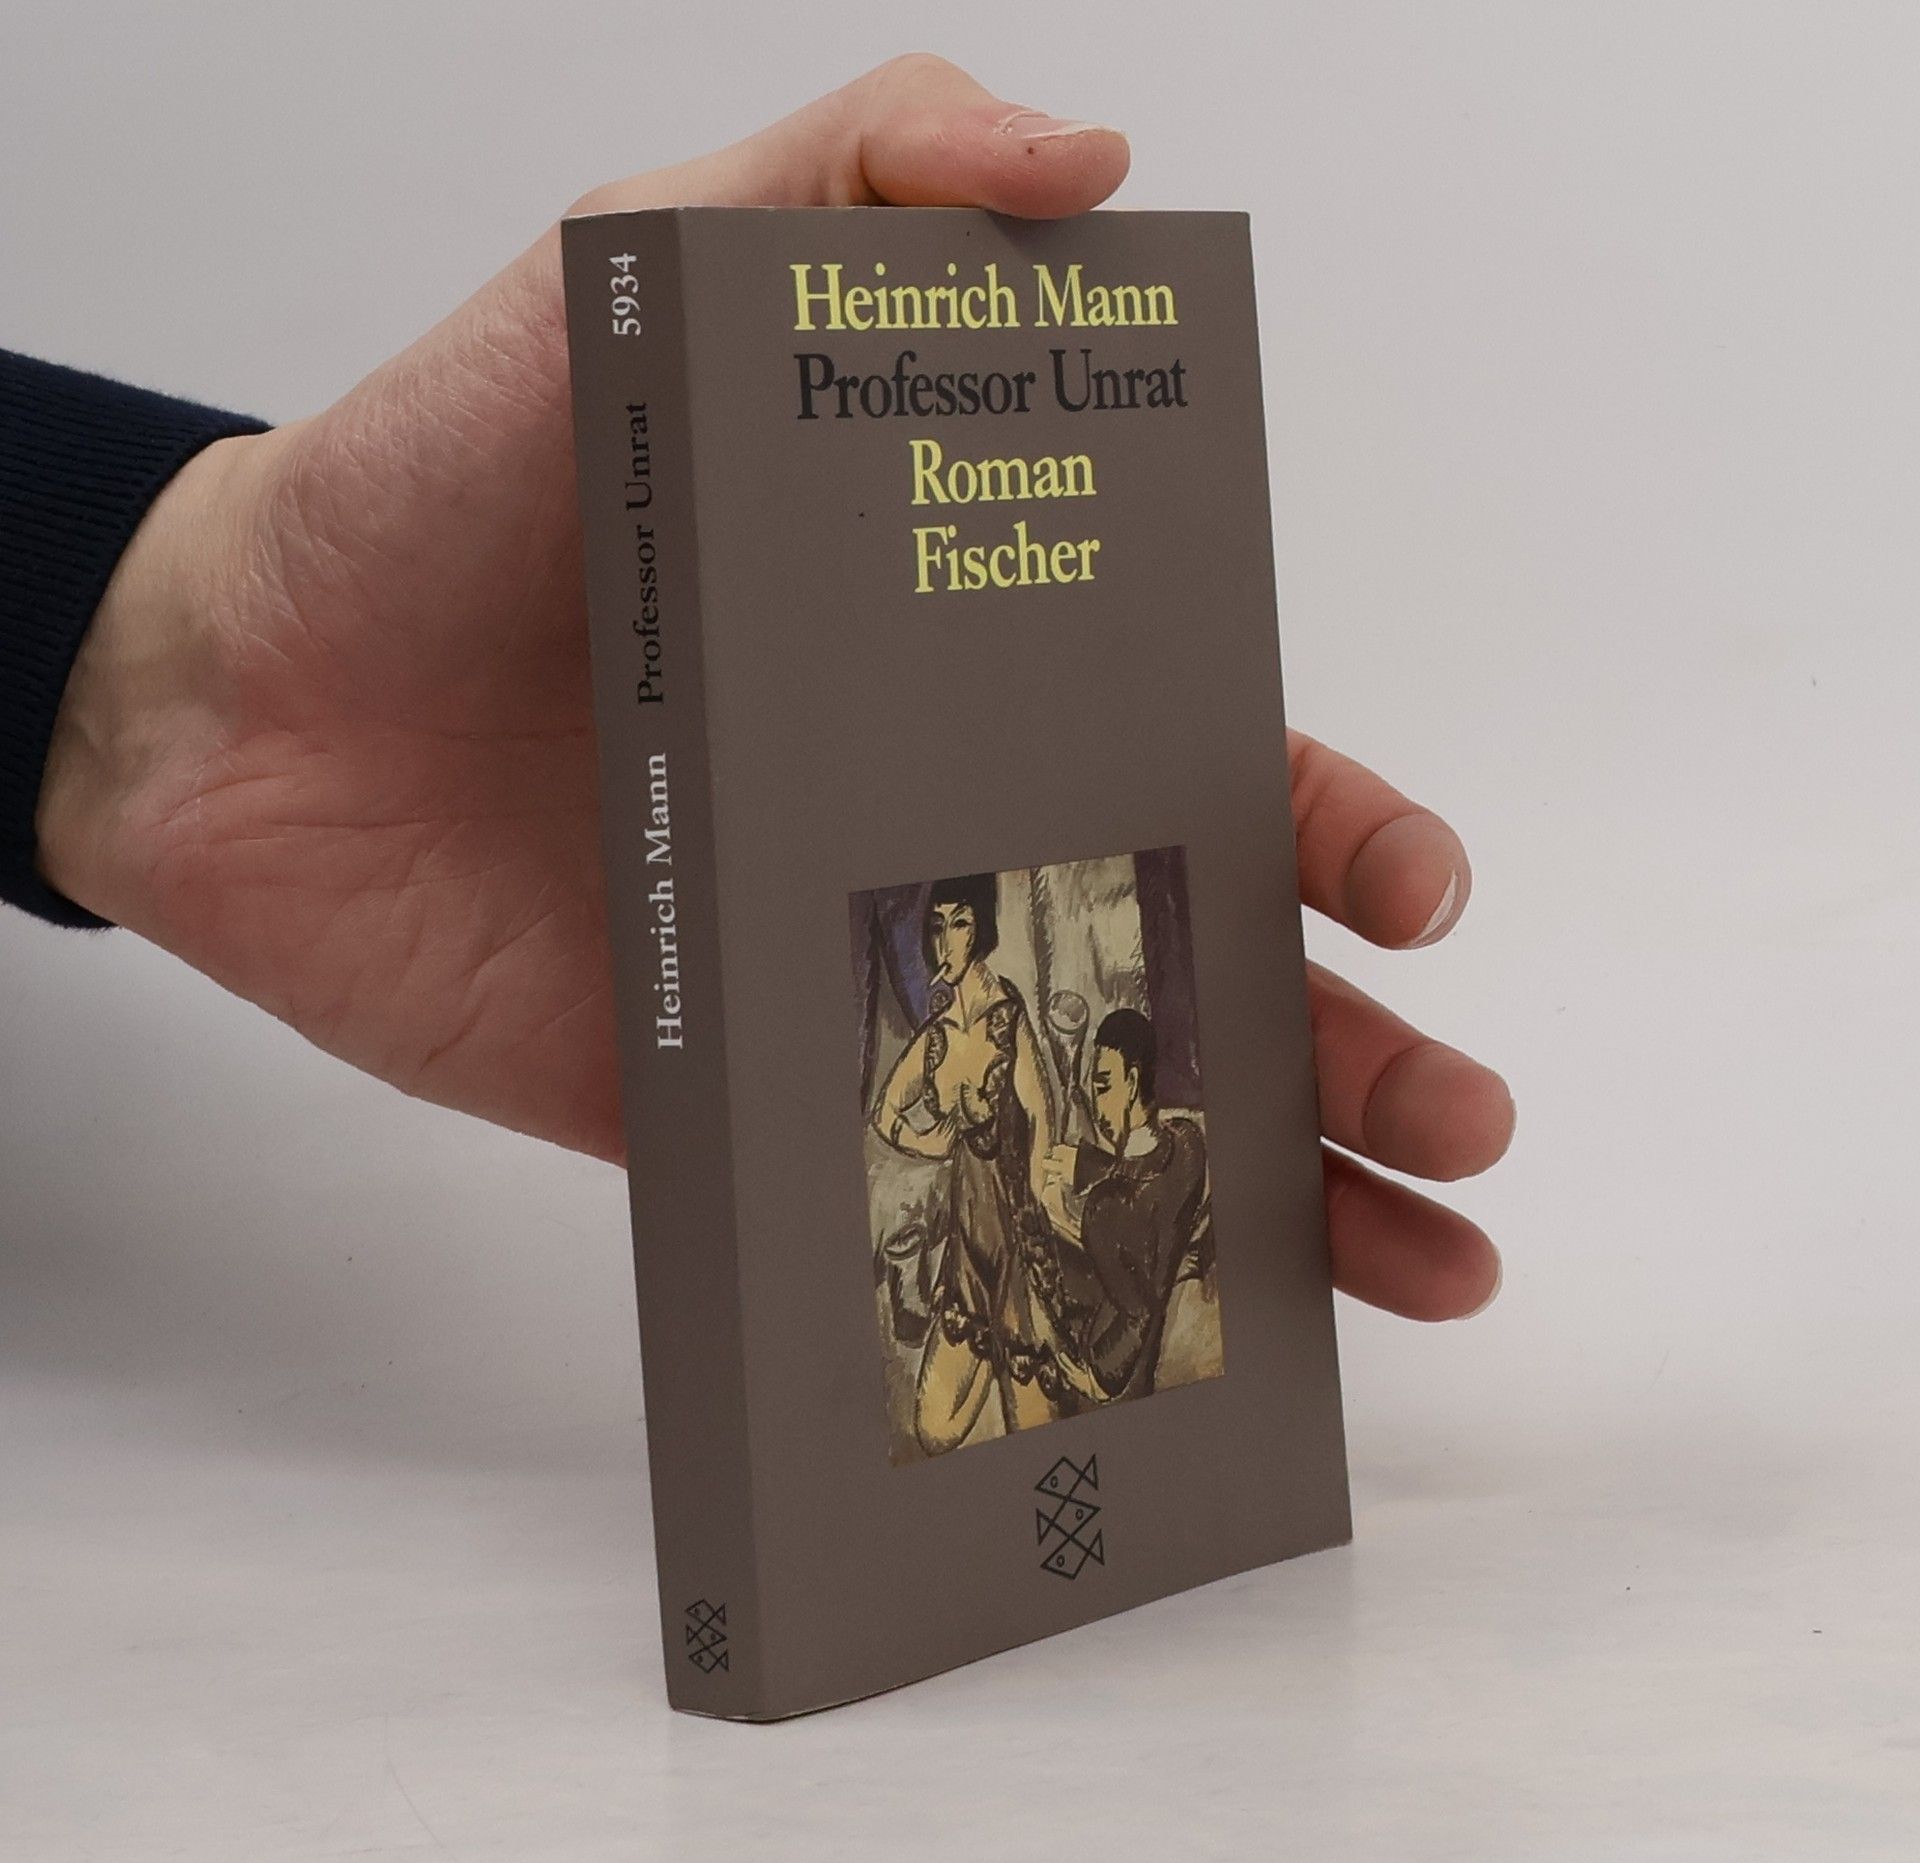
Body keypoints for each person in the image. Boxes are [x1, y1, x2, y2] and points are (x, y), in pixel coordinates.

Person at [0, 53, 1515, 1325]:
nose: (962, 947)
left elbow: (1029, 1120)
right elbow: (912, 1117)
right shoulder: (945, 1025)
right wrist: (202, 661)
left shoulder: (1034, 1044)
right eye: (956, 935)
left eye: (968, 937)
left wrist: (188, 647)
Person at [871, 875, 1073, 1451]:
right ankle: (989, 1353)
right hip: (968, 1256)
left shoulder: (1006, 1017)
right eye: (937, 926)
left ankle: (1013, 1349)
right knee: (933, 1431)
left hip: (1019, 1248)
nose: (946, 941)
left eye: (959, 923)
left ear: (980, 929)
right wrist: (929, 1143)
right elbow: (885, 1112)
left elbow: (1041, 1113)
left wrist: (1043, 1196)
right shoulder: (936, 1037)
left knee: (1035, 1433)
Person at [1039, 1009, 1215, 1403]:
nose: (1097, 1105)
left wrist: (1097, 1382)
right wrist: (1094, 1167)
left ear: (1132, 1083)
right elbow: (1151, 1178)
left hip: (1118, 1373)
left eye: (1103, 1086)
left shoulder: (1105, 1209)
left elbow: (1138, 1315)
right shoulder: (1189, 1143)